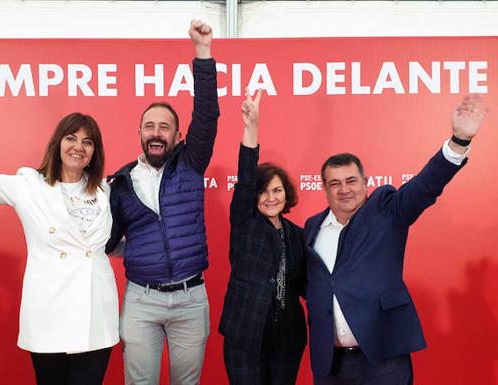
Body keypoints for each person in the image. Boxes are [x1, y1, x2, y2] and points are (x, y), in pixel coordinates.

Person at [0, 63, 119, 385]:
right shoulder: (28, 185)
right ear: (58, 143)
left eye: (87, 142)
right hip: (49, 312)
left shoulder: (106, 190)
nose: (78, 147)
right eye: (71, 138)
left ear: (94, 152)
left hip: (95, 311)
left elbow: (113, 243)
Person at [304, 94, 488, 385]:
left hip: (382, 357)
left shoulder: (386, 210)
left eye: (351, 181)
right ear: (324, 189)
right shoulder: (312, 227)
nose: (344, 190)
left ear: (365, 184)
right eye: (334, 183)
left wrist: (458, 142)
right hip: (330, 365)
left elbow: (424, 186)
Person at [105, 20, 219, 385]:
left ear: (177, 135)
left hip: (190, 298)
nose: (156, 133)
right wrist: (134, 251)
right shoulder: (119, 182)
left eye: (164, 126)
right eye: (149, 126)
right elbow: (108, 239)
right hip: (141, 300)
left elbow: (206, 115)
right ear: (139, 133)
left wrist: (203, 53)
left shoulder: (190, 163)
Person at [219, 89, 307, 385]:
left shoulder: (298, 235)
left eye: (277, 190)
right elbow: (245, 176)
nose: (270, 197)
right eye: (263, 190)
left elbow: (309, 283)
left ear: (287, 194)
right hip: (245, 335)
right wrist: (251, 127)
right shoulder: (245, 222)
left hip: (287, 339)